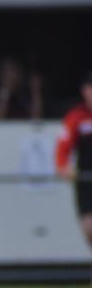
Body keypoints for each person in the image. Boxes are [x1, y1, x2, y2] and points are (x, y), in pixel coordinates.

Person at [54, 71, 92, 253]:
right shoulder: (76, 117)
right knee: (89, 229)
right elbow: (63, 146)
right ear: (84, 91)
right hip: (85, 180)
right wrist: (63, 166)